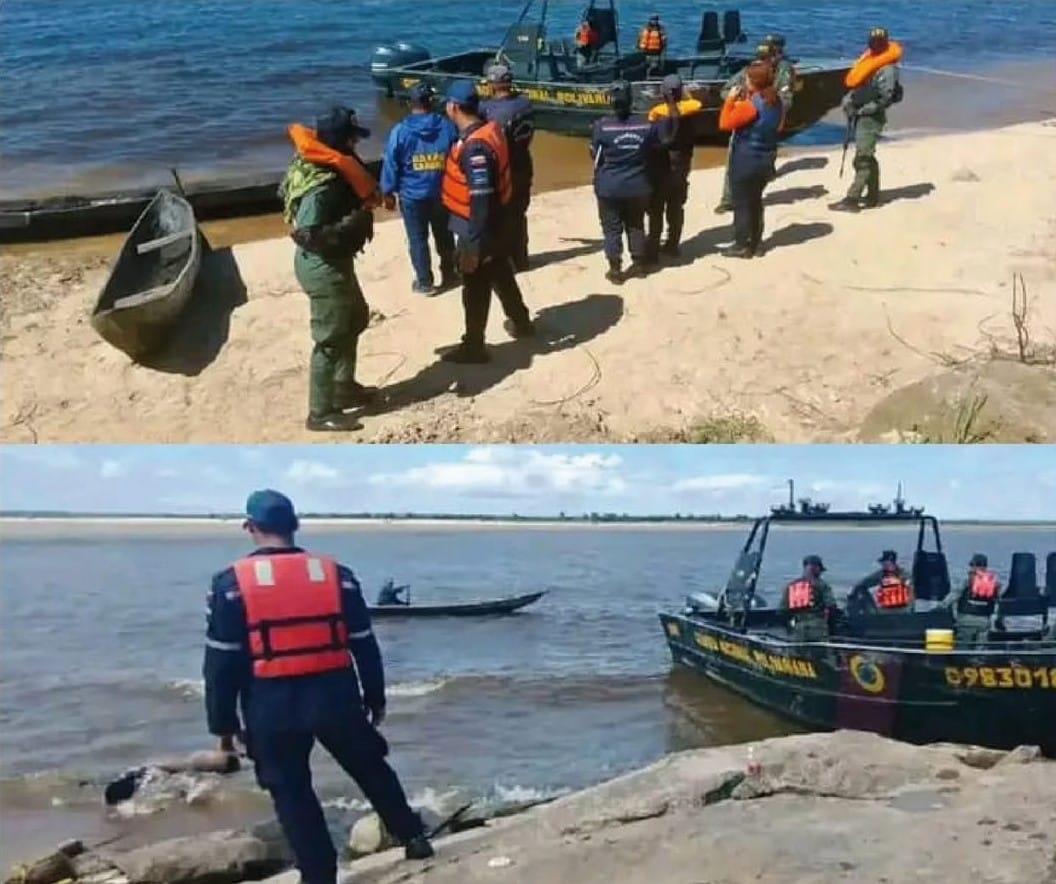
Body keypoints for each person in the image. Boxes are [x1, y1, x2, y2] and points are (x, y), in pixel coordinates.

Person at [203, 490, 433, 884]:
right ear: (295, 525)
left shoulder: (230, 584)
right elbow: (365, 644)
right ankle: (413, 837)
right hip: (335, 694)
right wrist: (375, 696)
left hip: (270, 703)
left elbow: (220, 663)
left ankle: (318, 874)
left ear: (250, 527)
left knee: (291, 790)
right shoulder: (336, 575)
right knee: (370, 767)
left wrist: (223, 725)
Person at [280, 106, 381, 433]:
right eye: (352, 138)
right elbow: (307, 233)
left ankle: (343, 386)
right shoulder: (320, 185)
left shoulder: (331, 168)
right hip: (321, 266)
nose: (356, 143)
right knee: (331, 338)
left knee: (356, 318)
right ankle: (320, 412)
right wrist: (351, 224)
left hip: (335, 261)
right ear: (340, 140)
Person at [440, 80, 535, 364]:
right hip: (497, 222)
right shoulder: (488, 130)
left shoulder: (476, 147)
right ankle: (522, 322)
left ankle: (474, 346)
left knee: (475, 288)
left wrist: (473, 243)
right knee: (501, 272)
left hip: (480, 228)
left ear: (453, 107)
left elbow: (481, 197)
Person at [590, 81, 674, 284]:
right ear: (631, 100)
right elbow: (657, 148)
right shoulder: (646, 125)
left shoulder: (602, 126)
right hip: (639, 184)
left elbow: (595, 157)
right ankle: (638, 264)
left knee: (611, 228)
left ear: (611, 101)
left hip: (610, 186)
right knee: (636, 224)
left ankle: (615, 269)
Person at [380, 83, 458, 295]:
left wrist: (387, 192)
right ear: (431, 102)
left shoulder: (400, 132)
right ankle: (450, 274)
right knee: (445, 235)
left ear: (409, 103)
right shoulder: (447, 127)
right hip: (441, 192)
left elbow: (390, 163)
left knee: (417, 239)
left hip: (412, 195)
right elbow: (457, 156)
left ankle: (424, 282)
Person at [830, 27, 903, 212]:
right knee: (868, 156)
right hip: (860, 113)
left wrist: (862, 110)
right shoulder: (869, 62)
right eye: (873, 41)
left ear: (885, 43)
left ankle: (852, 199)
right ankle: (873, 195)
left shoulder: (887, 70)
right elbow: (859, 88)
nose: (875, 45)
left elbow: (885, 98)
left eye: (879, 42)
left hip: (871, 117)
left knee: (862, 158)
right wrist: (850, 104)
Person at [717, 60, 783, 258]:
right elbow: (778, 126)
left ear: (752, 82)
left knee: (742, 203)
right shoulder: (776, 101)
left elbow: (724, 123)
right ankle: (756, 243)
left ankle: (741, 244)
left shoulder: (750, 106)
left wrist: (730, 100)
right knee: (755, 201)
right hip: (766, 158)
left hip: (746, 159)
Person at [480, 63, 535, 272]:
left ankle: (506, 260)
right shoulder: (525, 103)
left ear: (494, 84)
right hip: (523, 163)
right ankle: (521, 259)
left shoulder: (492, 110)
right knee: (519, 214)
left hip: (504, 169)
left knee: (501, 217)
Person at [713, 43, 776, 214]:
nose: (763, 60)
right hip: (746, 124)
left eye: (766, 57)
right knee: (735, 166)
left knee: (758, 170)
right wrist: (737, 101)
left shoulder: (777, 73)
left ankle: (749, 197)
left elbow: (784, 100)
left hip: (764, 128)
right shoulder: (746, 73)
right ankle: (728, 200)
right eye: (760, 56)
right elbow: (726, 91)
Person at [645, 73, 702, 260]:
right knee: (676, 207)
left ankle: (653, 247)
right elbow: (694, 102)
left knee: (656, 209)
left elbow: (651, 129)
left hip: (661, 168)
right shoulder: (692, 109)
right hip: (682, 166)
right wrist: (684, 94)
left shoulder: (657, 112)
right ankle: (673, 245)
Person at [942, 554, 1000, 644]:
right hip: (984, 621)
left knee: (964, 645)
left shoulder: (966, 580)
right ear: (985, 566)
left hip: (965, 620)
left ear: (972, 565)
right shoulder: (994, 583)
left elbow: (953, 597)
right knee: (981, 645)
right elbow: (999, 602)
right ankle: (980, 653)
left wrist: (941, 606)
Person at [779, 554, 837, 641]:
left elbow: (782, 611)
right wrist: (832, 628)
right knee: (819, 649)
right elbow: (831, 606)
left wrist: (789, 628)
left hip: (799, 629)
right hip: (818, 628)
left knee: (797, 650)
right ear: (817, 569)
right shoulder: (822, 585)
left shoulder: (792, 586)